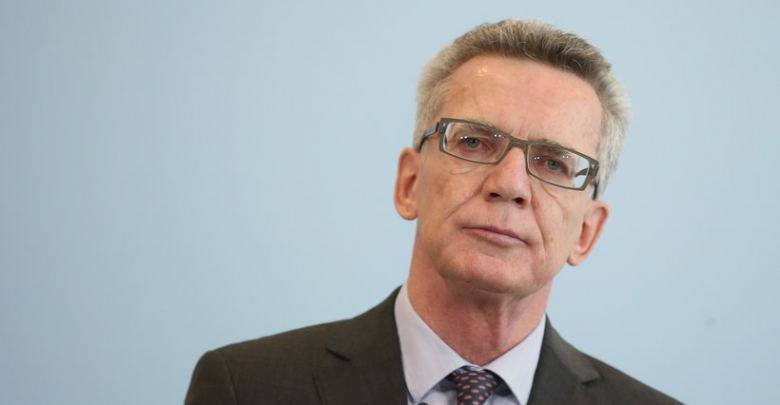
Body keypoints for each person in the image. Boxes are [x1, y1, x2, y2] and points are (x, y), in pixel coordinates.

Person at [184, 19, 683, 405]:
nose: (509, 185)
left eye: (553, 163)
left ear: (586, 233)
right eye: (474, 142)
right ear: (410, 183)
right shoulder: (245, 387)